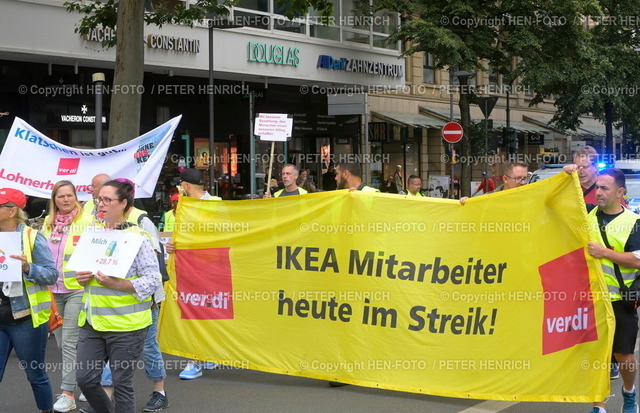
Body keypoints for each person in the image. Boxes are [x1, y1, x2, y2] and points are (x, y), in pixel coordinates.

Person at [75, 180, 161, 413]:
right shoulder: (93, 234)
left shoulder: (138, 237)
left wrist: (118, 284)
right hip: (92, 322)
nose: (100, 204)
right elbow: (82, 274)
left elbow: (153, 279)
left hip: (127, 326)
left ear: (123, 203)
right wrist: (81, 277)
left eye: (107, 200)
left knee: (122, 385)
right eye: (98, 199)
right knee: (85, 379)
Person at [582, 168, 640, 413]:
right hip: (591, 300)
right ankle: (599, 405)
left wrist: (604, 253)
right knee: (598, 355)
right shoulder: (587, 214)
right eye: (597, 187)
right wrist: (567, 171)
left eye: (604, 188)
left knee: (623, 356)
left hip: (621, 300)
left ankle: (629, 393)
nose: (598, 192)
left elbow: (637, 260)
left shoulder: (633, 223)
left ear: (620, 192)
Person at [0, 188, 58, 413]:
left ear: (12, 210)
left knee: (35, 374)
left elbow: (51, 275)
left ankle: (46, 410)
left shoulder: (32, 237)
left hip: (25, 318)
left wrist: (26, 267)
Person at [42, 181, 93, 413]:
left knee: (70, 342)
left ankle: (68, 393)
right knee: (64, 343)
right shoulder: (48, 222)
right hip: (53, 291)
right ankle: (89, 382)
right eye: (60, 196)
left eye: (69, 195)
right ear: (54, 200)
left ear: (76, 197)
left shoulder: (88, 221)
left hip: (77, 290)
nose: (65, 200)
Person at [167, 169, 221, 380]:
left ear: (186, 186)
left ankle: (198, 358)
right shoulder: (183, 206)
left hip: (210, 267)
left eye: (180, 185)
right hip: (190, 266)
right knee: (194, 310)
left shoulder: (214, 203)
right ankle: (201, 356)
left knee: (204, 310)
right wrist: (173, 245)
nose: (178, 189)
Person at [459, 162, 529, 204]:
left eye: (525, 178)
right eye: (518, 178)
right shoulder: (489, 199)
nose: (523, 182)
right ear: (505, 179)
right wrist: (468, 203)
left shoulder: (531, 199)